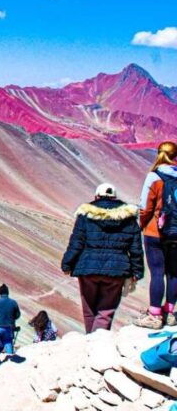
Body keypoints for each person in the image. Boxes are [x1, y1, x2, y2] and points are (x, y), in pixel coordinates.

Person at [61, 183, 144, 333]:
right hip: (117, 270)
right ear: (115, 197)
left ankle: (90, 341)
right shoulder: (129, 216)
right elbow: (135, 248)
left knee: (89, 310)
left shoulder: (86, 214)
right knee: (106, 312)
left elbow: (76, 242)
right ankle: (97, 341)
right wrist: (137, 271)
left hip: (88, 269)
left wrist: (67, 264)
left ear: (96, 197)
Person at [135, 141, 177, 329]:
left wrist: (143, 225)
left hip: (155, 233)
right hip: (176, 233)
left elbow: (145, 208)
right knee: (174, 273)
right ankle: (169, 313)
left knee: (158, 273)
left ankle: (154, 315)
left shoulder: (154, 177)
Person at [0, 284, 21, 358]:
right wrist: (12, 318)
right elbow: (18, 314)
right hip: (9, 327)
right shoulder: (13, 302)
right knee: (8, 342)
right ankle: (10, 356)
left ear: (0, 293)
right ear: (8, 292)